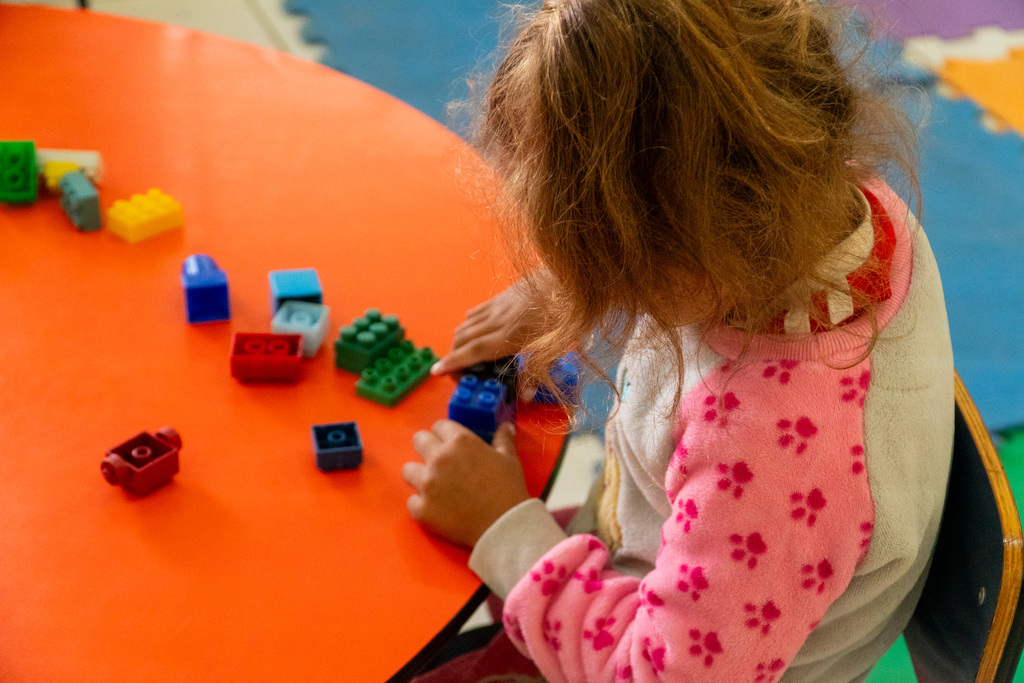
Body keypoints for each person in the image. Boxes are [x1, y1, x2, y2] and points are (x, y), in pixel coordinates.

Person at [401, 0, 953, 680]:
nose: (595, 286)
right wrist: (563, 281)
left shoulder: (768, 452)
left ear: (680, 245)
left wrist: (505, 529)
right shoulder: (823, 195)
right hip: (675, 564)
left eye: (606, 261)